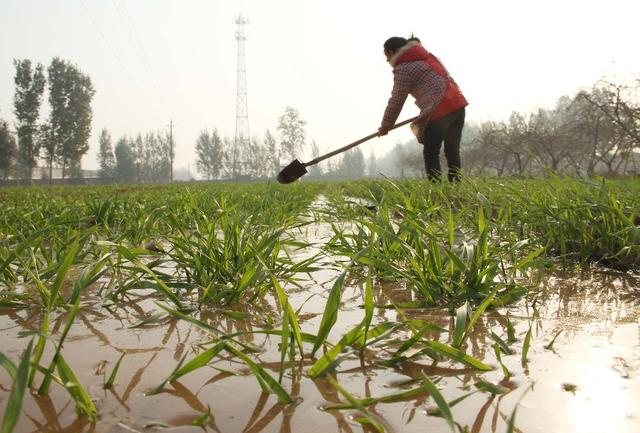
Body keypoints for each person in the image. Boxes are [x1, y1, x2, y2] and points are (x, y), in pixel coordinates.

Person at [378, 36, 468, 182]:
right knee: (452, 150)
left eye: (386, 55)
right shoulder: (429, 58)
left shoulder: (403, 68)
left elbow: (396, 100)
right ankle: (456, 188)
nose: (387, 61)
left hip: (439, 110)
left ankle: (437, 191)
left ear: (392, 52)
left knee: (431, 152)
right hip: (457, 104)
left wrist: (386, 125)